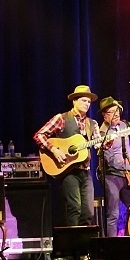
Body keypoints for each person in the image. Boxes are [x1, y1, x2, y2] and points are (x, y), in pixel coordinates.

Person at [33, 84, 100, 227]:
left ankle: (84, 247)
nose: (87, 104)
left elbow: (99, 145)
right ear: (74, 101)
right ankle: (73, 247)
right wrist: (55, 150)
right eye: (83, 100)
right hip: (68, 172)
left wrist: (106, 142)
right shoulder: (62, 118)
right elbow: (40, 135)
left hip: (85, 172)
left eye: (89, 102)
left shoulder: (92, 123)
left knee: (88, 212)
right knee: (74, 208)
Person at [95, 96, 130, 237]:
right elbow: (111, 160)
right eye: (112, 111)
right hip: (111, 176)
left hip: (126, 176)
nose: (116, 114)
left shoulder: (125, 125)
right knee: (113, 213)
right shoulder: (102, 133)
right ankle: (112, 246)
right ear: (104, 115)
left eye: (117, 110)